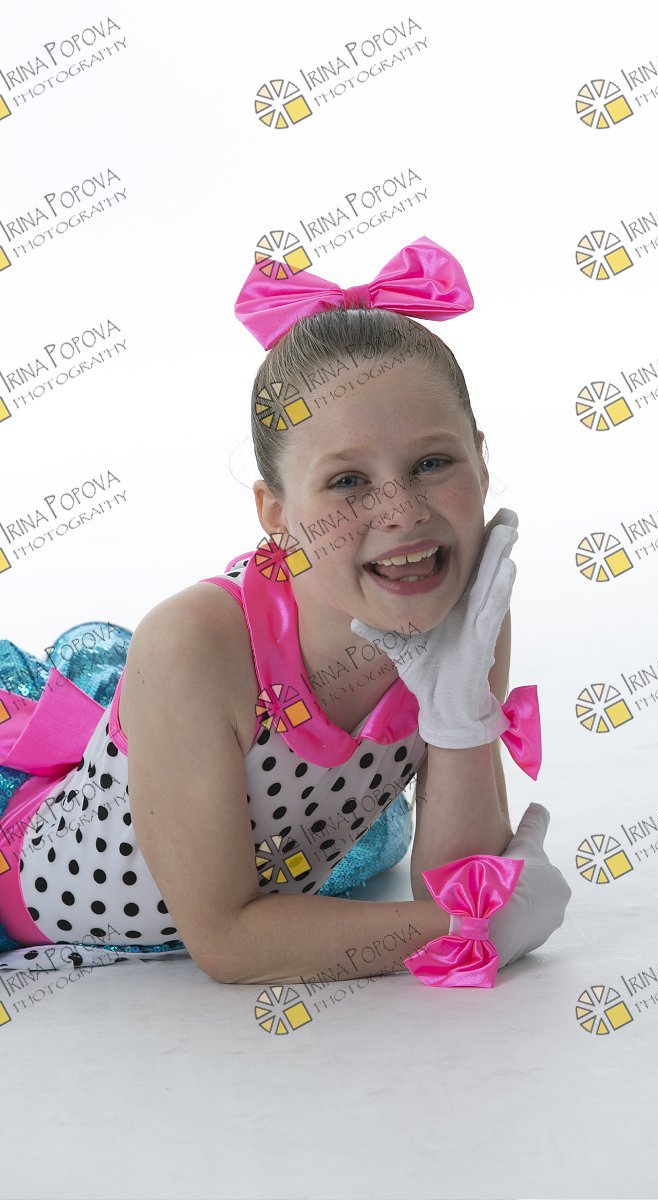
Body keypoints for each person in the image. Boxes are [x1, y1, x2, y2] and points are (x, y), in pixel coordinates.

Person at [0, 236, 571, 988]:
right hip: (31, 884)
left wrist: (461, 714)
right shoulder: (194, 644)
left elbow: (448, 880)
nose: (402, 511)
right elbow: (229, 941)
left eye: (433, 463)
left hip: (294, 860)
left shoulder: (465, 610)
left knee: (376, 845)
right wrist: (471, 928)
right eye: (347, 481)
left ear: (483, 462)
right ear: (275, 512)